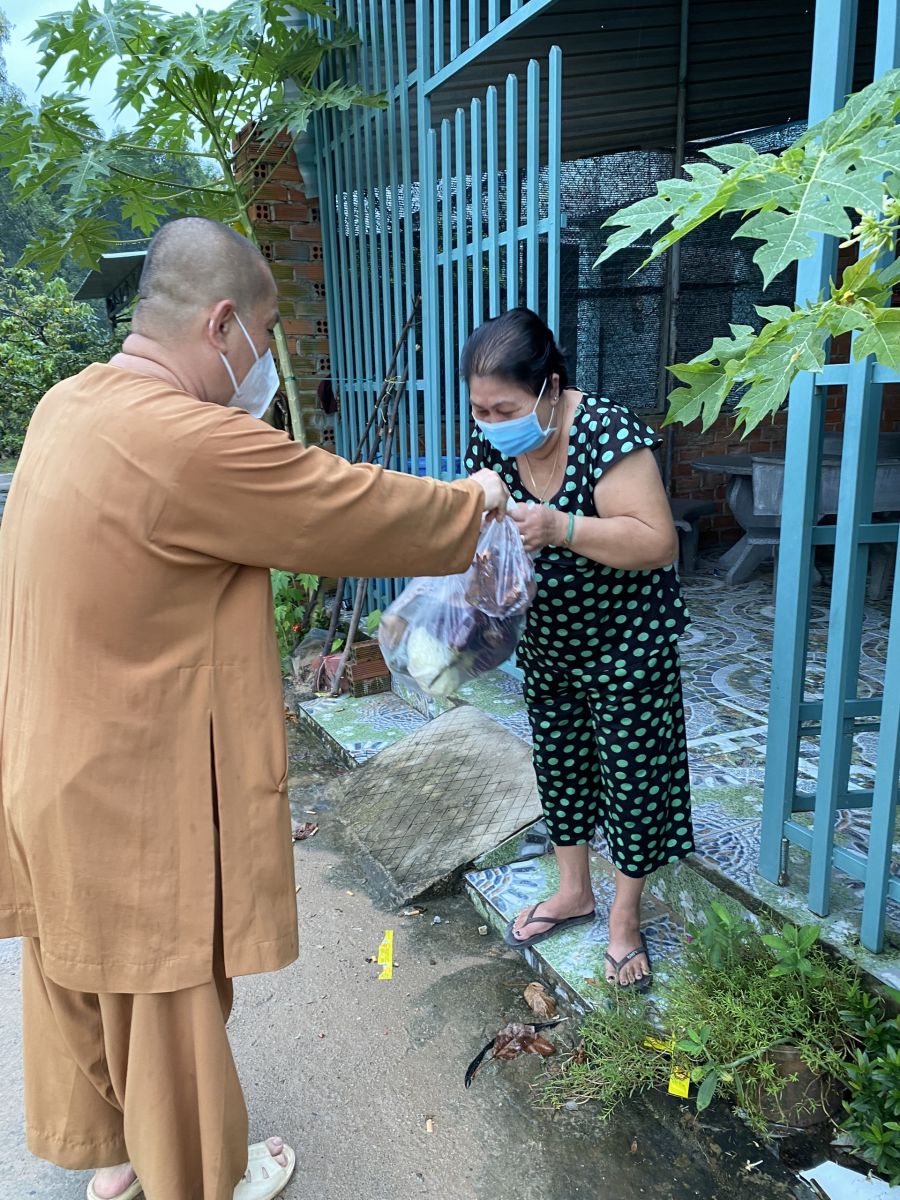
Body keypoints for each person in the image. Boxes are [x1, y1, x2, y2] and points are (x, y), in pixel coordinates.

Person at [0, 217, 509, 1200]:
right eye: (266, 336)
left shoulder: (69, 404)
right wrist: (473, 500)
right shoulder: (183, 438)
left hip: (44, 770)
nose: (265, 362)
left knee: (81, 974)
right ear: (223, 324)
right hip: (125, 795)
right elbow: (341, 505)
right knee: (166, 1008)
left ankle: (116, 1160)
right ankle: (194, 1176)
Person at [462, 308, 693, 991]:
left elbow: (657, 541)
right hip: (550, 638)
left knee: (633, 776)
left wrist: (562, 527)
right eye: (479, 410)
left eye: (504, 409)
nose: (490, 423)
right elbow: (484, 526)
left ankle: (624, 917)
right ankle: (573, 892)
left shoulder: (606, 432)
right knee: (561, 766)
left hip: (628, 641)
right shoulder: (494, 444)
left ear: (550, 388)